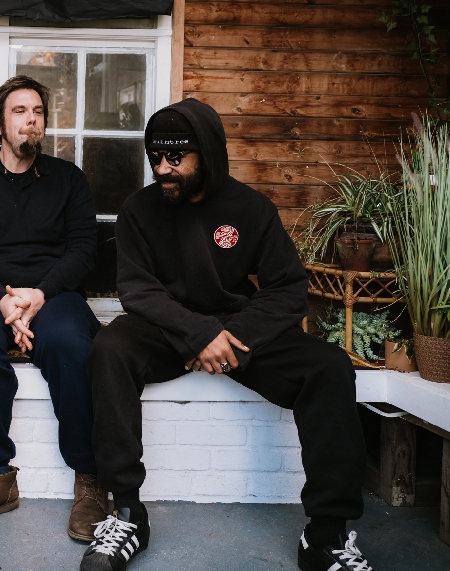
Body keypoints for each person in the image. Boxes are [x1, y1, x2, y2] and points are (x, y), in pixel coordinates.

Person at [80, 99, 372, 571]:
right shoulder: (139, 209)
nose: (163, 168)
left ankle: (325, 535)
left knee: (329, 366)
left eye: (176, 158)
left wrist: (229, 336)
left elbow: (288, 290)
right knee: (110, 349)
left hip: (236, 334)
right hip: (164, 328)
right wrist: (197, 335)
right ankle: (129, 513)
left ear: (208, 154)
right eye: (156, 157)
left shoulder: (250, 208)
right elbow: (138, 290)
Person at [0, 76, 107, 541]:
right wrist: (3, 297)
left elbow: (83, 250)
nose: (31, 119)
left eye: (37, 112)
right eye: (19, 111)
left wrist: (38, 295)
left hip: (51, 293)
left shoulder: (69, 180)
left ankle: (90, 480)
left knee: (72, 341)